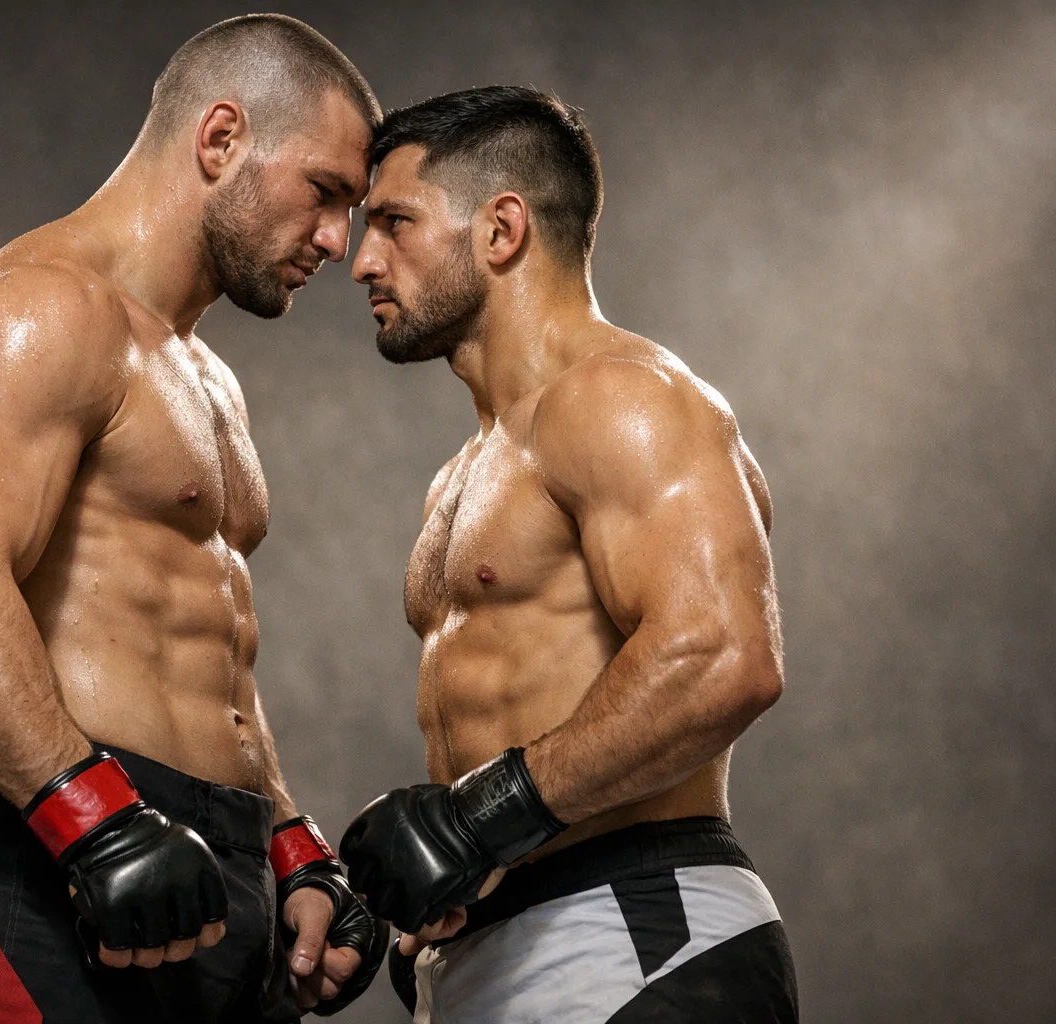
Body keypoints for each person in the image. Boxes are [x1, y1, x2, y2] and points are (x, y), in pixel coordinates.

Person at [0, 15, 387, 1023]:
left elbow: (209, 659)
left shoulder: (209, 380)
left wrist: (289, 844)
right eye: (325, 193)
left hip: (205, 877)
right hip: (48, 868)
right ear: (221, 138)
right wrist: (91, 819)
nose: (339, 242)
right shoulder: (35, 307)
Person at [338, 86, 799, 1022]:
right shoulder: (468, 469)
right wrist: (430, 897)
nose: (362, 262)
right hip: (505, 947)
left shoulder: (623, 398)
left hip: (639, 929)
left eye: (393, 222)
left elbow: (724, 658)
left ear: (501, 229)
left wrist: (478, 823)